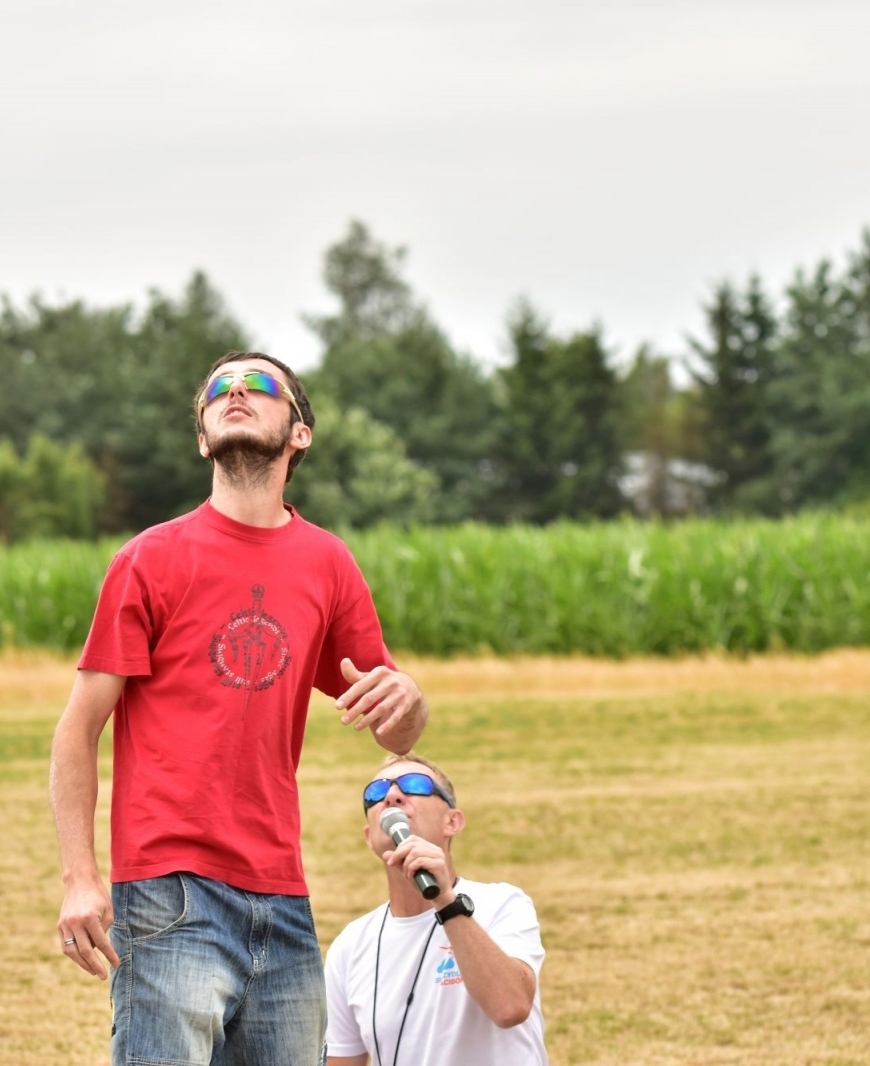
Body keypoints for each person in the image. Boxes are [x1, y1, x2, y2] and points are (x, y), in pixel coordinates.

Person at [49, 351, 429, 1066]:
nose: (235, 394)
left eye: (258, 386)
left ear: (300, 434)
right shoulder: (150, 560)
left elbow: (392, 723)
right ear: (201, 438)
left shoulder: (328, 564)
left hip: (282, 898)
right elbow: (77, 729)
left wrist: (410, 700)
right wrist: (80, 878)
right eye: (218, 390)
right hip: (169, 892)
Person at [325, 754, 547, 1066]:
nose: (392, 796)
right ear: (368, 838)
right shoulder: (350, 946)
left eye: (415, 785)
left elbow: (509, 1007)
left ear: (452, 822)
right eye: (375, 793)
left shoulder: (503, 903)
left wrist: (445, 901)